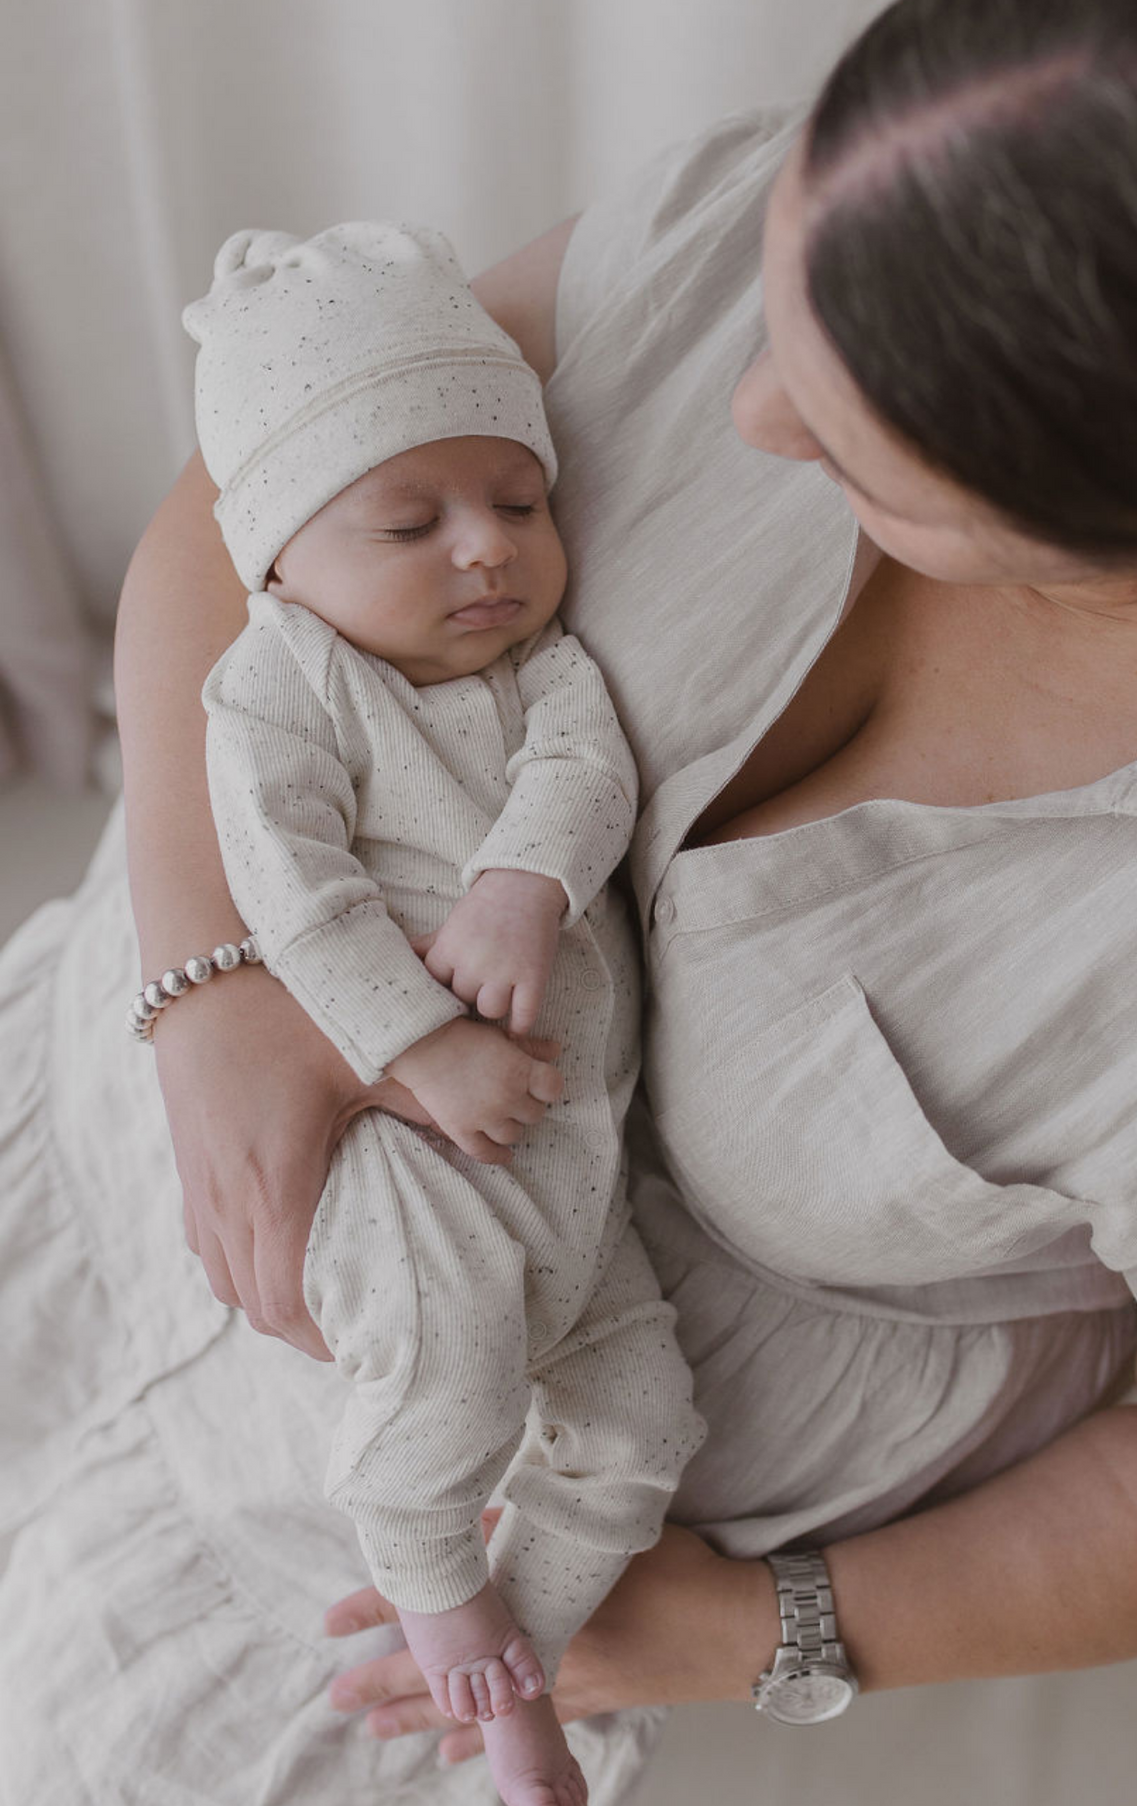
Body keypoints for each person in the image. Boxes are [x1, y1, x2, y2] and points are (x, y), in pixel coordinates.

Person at [4, 0, 1137, 1799]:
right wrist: (207, 976)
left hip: (363, 1587)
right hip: (99, 1147)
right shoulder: (864, 199)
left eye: (858, 448)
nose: (747, 406)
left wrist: (751, 1628)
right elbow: (255, 491)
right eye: (783, 307)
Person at [169, 218, 703, 1806]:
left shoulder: (543, 668)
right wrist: (421, 1044)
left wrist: (526, 885)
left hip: (576, 1172)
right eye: (413, 519)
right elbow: (300, 895)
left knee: (644, 1424)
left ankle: (506, 1656)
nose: (487, 546)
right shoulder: (281, 685)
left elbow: (585, 776)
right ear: (279, 556)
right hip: (417, 1150)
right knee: (452, 1371)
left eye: (519, 502)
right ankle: (434, 1573)